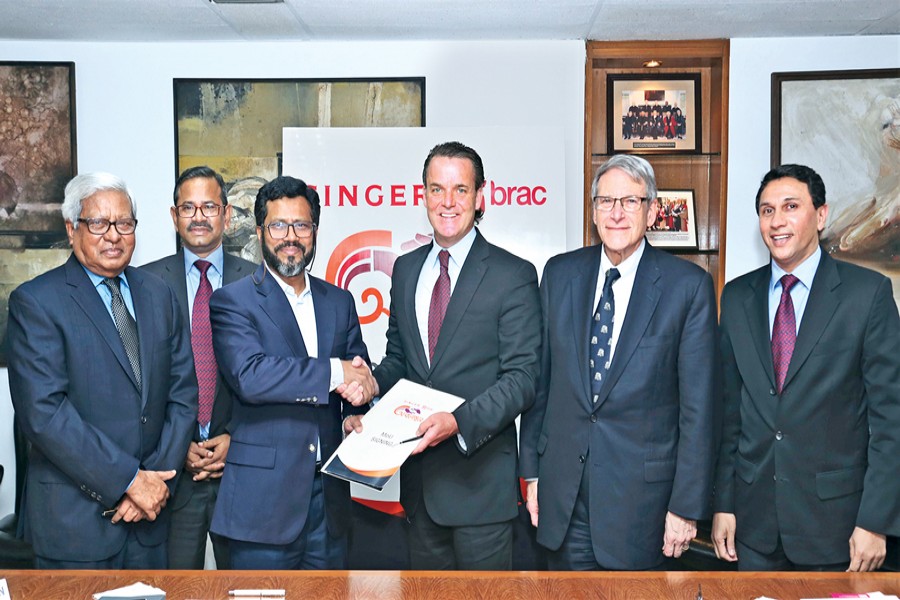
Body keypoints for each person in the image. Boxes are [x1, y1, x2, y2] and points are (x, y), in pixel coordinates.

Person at [520, 153, 718, 570]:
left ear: (652, 211)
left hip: (643, 508)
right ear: (593, 211)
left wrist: (685, 507)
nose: (616, 213)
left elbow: (699, 411)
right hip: (564, 499)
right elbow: (542, 383)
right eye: (606, 201)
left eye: (630, 201)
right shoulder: (559, 274)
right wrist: (533, 474)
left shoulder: (687, 287)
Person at [350, 141, 541, 570]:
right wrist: (372, 385)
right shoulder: (406, 270)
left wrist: (459, 422)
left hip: (481, 491)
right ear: (423, 196)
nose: (448, 202)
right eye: (437, 189)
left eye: (460, 189)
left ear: (480, 196)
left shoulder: (513, 275)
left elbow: (523, 378)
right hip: (419, 491)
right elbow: (400, 359)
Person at [712, 164, 900, 572]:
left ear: (821, 215)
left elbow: (891, 421)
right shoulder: (737, 297)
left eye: (791, 207)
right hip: (754, 528)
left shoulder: (867, 295)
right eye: (767, 211)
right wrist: (724, 503)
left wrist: (876, 521)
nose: (777, 221)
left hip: (838, 530)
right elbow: (729, 414)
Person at [7, 172, 198, 569]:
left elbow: (182, 395)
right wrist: (129, 481)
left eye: (124, 223)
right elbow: (44, 414)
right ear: (71, 228)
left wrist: (155, 481)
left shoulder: (159, 294)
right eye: (98, 223)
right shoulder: (36, 302)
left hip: (151, 521)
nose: (113, 235)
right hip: (75, 527)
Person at [207, 175, 375, 570]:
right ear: (260, 231)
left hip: (329, 503)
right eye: (278, 225)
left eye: (301, 225)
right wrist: (336, 373)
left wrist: (356, 410)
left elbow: (358, 373)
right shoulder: (233, 301)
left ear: (314, 230)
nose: (290, 237)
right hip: (262, 506)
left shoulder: (340, 301)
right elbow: (251, 376)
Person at [142, 166, 256, 569]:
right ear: (174, 217)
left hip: (240, 469)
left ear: (226, 215)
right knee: (175, 588)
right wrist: (178, 445)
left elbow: (269, 375)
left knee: (245, 589)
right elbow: (141, 381)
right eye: (188, 208)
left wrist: (236, 437)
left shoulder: (258, 283)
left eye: (209, 206)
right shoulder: (144, 284)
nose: (199, 217)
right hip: (172, 475)